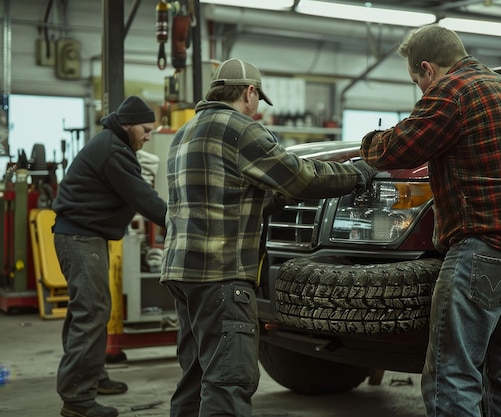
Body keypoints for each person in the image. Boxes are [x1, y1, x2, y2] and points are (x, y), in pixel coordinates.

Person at [160, 58, 377, 417]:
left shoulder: (187, 131)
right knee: (229, 379)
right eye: (257, 99)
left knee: (196, 376)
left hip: (182, 274)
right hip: (221, 275)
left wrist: (279, 197)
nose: (257, 107)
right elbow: (303, 176)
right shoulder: (240, 129)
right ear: (249, 92)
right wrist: (358, 174)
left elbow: (224, 200)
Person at [360, 25, 501, 417]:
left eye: (418, 83)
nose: (421, 92)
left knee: (454, 373)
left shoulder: (452, 91)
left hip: (484, 250)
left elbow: (401, 148)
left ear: (427, 69)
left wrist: (368, 143)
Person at [52, 95, 167, 417]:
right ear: (128, 124)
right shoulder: (113, 151)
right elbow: (142, 197)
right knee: (91, 311)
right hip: (79, 237)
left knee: (86, 311)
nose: (148, 136)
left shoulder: (114, 145)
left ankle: (91, 375)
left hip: (83, 235)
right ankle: (77, 398)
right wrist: (179, 222)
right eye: (145, 129)